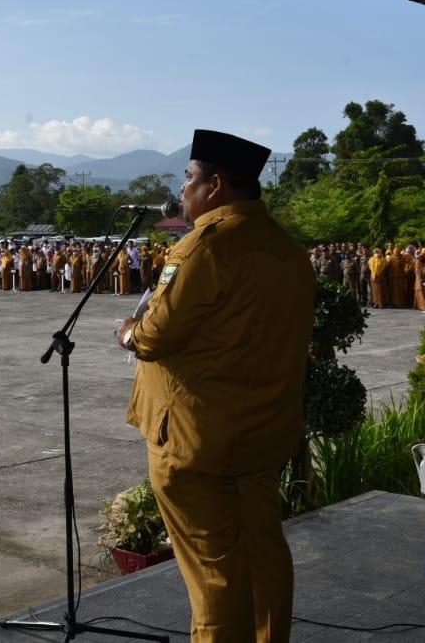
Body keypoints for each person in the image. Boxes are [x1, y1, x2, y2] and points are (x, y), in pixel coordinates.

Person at [116, 129, 315, 642]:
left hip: (196, 437)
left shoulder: (206, 245)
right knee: (263, 554)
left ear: (217, 185)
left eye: (189, 178)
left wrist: (128, 333)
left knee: (214, 573)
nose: (183, 190)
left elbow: (157, 332)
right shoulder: (286, 249)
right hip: (262, 432)